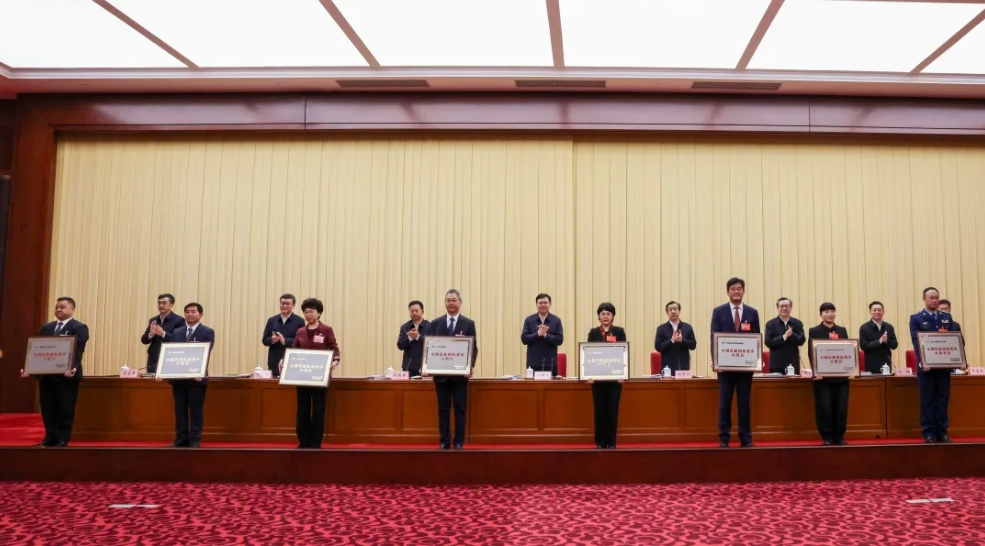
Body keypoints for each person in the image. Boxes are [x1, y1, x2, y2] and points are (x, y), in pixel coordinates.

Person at [20, 297, 89, 447]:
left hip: (67, 376)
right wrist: (29, 368)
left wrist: (72, 366)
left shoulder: (79, 327)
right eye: (56, 307)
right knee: (47, 409)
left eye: (62, 307)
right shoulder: (47, 328)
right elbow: (39, 350)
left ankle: (62, 439)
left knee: (65, 408)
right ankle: (49, 437)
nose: (58, 309)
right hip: (46, 376)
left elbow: (78, 350)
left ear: (72, 309)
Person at [710, 277, 761, 448]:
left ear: (743, 291)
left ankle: (746, 438)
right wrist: (716, 362)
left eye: (739, 288)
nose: (736, 292)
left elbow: (756, 338)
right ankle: (724, 438)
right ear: (728, 292)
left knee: (744, 404)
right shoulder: (719, 311)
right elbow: (714, 337)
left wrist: (756, 362)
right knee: (724, 403)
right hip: (725, 368)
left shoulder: (752, 313)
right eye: (733, 289)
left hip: (745, 368)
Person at [910, 287, 965, 444]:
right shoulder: (916, 318)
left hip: (943, 367)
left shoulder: (946, 317)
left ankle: (942, 432)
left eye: (937, 298)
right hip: (926, 368)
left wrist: (960, 361)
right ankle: (928, 433)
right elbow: (916, 342)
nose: (935, 301)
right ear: (924, 299)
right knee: (927, 401)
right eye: (931, 298)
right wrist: (923, 361)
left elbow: (954, 340)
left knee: (942, 400)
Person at [425, 289, 478, 450]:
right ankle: (444, 441)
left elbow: (474, 348)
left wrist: (470, 366)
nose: (451, 303)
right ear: (445, 303)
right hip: (441, 377)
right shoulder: (435, 323)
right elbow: (429, 347)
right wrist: (427, 365)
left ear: (460, 302)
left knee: (460, 409)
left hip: (460, 376)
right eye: (448, 300)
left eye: (454, 300)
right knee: (443, 409)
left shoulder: (468, 324)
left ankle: (459, 441)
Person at [286, 298, 341, 449]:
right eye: (306, 312)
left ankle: (316, 443)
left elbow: (334, 348)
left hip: (319, 378)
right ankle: (304, 441)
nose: (308, 314)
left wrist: (335, 361)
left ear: (319, 313)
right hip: (302, 377)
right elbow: (293, 350)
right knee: (302, 411)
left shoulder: (326, 330)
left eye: (311, 311)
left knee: (318, 410)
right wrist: (285, 360)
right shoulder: (300, 331)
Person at [166, 303, 215, 448]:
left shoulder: (207, 332)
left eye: (193, 311)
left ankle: (194, 439)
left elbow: (205, 353)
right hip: (179, 379)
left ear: (201, 314)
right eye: (187, 312)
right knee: (180, 411)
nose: (190, 314)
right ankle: (181, 438)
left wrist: (199, 371)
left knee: (196, 410)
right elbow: (171, 353)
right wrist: (165, 372)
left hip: (197, 379)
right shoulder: (177, 332)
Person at [808, 303, 850, 446]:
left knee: (841, 408)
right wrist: (816, 372)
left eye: (832, 311)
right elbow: (811, 353)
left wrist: (851, 370)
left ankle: (839, 436)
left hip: (841, 378)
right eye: (826, 311)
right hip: (822, 378)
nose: (830, 314)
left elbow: (848, 351)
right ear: (821, 314)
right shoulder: (814, 331)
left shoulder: (842, 330)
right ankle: (827, 436)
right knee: (824, 408)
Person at [587, 302, 627, 449]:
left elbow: (623, 353)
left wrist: (623, 374)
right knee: (599, 410)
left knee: (613, 410)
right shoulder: (593, 333)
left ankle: (611, 442)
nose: (605, 316)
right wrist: (589, 375)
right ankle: (600, 442)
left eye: (608, 314)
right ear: (599, 316)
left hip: (615, 379)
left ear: (613, 316)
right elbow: (588, 354)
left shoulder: (619, 331)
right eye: (603, 313)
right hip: (597, 379)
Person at [520, 293, 565, 376]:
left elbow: (559, 340)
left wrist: (546, 335)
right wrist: (538, 334)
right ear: (536, 304)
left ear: (550, 304)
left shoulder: (556, 320)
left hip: (550, 363)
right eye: (540, 303)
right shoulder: (529, 320)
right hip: (533, 363)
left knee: (551, 384)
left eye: (545, 303)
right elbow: (524, 339)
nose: (543, 305)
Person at [261, 294, 305, 378]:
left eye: (288, 304)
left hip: (292, 360)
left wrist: (284, 340)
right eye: (283, 303)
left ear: (293, 305)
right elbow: (264, 340)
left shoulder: (299, 321)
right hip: (274, 361)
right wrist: (272, 340)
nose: (285, 306)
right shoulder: (272, 320)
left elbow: (301, 342)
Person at [140, 293, 185, 374]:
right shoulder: (153, 320)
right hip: (154, 357)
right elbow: (144, 340)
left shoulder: (179, 320)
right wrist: (151, 334)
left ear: (171, 305)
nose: (161, 305)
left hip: (170, 357)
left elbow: (178, 340)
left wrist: (163, 333)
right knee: (152, 380)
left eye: (164, 303)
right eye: (159, 303)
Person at [764, 297, 806, 374]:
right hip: (776, 365)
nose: (784, 308)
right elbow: (768, 342)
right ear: (777, 308)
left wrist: (792, 335)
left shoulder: (797, 323)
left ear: (791, 308)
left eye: (786, 306)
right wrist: (784, 337)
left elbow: (802, 341)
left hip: (793, 364)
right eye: (781, 306)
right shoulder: (771, 324)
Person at [653, 301, 696, 373]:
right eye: (670, 310)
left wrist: (682, 340)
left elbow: (693, 345)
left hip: (683, 367)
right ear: (667, 313)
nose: (673, 312)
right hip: (667, 368)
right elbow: (658, 347)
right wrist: (671, 340)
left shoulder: (687, 327)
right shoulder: (661, 328)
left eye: (675, 309)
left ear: (679, 311)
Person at [858, 301, 898, 374]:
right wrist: (879, 341)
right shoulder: (864, 328)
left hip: (886, 363)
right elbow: (863, 346)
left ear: (883, 312)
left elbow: (894, 345)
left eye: (879, 310)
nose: (877, 312)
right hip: (870, 364)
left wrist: (886, 340)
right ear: (870, 312)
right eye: (874, 310)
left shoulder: (889, 327)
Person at [396, 300, 430, 377]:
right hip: (408, 365)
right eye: (412, 311)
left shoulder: (430, 326)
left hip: (425, 366)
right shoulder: (405, 327)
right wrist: (409, 337)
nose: (414, 313)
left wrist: (418, 337)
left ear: (422, 312)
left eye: (416, 311)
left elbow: (432, 345)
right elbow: (400, 345)